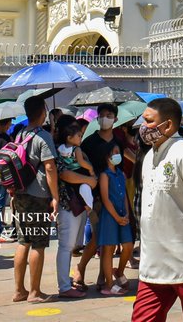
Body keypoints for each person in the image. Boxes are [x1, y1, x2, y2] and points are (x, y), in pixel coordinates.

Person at [131, 98, 183, 322]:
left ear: (168, 126)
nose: (143, 126)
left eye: (149, 121)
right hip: (153, 262)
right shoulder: (149, 155)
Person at [11, 95, 61, 304]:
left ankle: (19, 290)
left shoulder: (20, 134)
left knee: (23, 242)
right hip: (38, 196)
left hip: (20, 195)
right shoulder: (43, 136)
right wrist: (56, 197)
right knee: (38, 245)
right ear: (42, 112)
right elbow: (50, 168)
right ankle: (35, 292)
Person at [76, 102, 120, 288]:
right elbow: (81, 168)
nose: (105, 118)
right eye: (101, 115)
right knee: (98, 236)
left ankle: (104, 276)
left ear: (115, 119)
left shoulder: (118, 141)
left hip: (113, 195)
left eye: (109, 115)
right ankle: (81, 268)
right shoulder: (89, 142)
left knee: (108, 239)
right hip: (94, 197)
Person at [55, 121, 98, 297]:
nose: (81, 136)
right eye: (79, 134)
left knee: (70, 245)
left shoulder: (62, 150)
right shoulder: (70, 151)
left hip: (76, 204)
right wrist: (89, 178)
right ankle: (64, 287)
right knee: (66, 246)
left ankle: (66, 282)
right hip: (68, 204)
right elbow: (64, 174)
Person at [97, 143, 134, 296]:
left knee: (128, 246)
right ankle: (109, 284)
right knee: (109, 249)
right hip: (110, 216)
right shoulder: (105, 175)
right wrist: (117, 217)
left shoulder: (120, 173)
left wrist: (125, 214)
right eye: (115, 152)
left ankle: (118, 272)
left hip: (122, 214)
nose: (118, 155)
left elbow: (124, 195)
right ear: (108, 156)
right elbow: (105, 199)